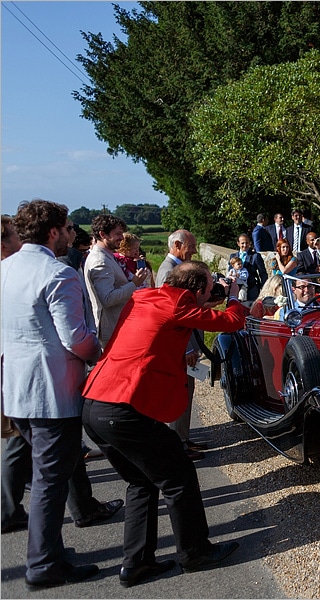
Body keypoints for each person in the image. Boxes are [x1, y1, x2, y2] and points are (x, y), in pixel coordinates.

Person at [82, 261, 247, 586]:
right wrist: (234, 295)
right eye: (209, 285)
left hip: (94, 402)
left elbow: (163, 327)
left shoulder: (146, 297)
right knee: (178, 476)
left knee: (142, 481)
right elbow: (231, 322)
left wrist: (201, 304)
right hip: (123, 407)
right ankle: (195, 552)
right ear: (197, 288)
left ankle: (137, 564)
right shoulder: (179, 304)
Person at [1, 199, 103, 588]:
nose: (72, 234)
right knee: (48, 482)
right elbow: (75, 339)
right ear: (53, 232)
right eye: (68, 228)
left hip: (16, 390)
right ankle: (43, 564)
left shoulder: (5, 269)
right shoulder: (57, 274)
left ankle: (49, 552)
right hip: (51, 393)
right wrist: (99, 350)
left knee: (49, 476)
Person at [155, 230, 205, 460]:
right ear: (177, 245)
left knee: (187, 392)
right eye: (191, 246)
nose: (194, 250)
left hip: (187, 342)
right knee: (180, 393)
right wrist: (187, 348)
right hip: (181, 346)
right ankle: (178, 445)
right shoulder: (169, 272)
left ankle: (183, 438)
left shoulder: (175, 268)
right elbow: (171, 315)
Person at [84, 214, 150, 348]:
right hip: (112, 329)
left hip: (117, 327)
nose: (121, 237)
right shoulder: (100, 261)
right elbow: (108, 298)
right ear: (103, 234)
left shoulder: (106, 256)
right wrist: (134, 283)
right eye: (118, 234)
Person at [229, 233, 268, 302]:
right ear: (238, 243)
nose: (245, 245)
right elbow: (230, 271)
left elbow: (262, 273)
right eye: (242, 243)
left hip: (251, 288)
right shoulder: (233, 256)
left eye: (247, 243)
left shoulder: (255, 256)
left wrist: (264, 288)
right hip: (236, 288)